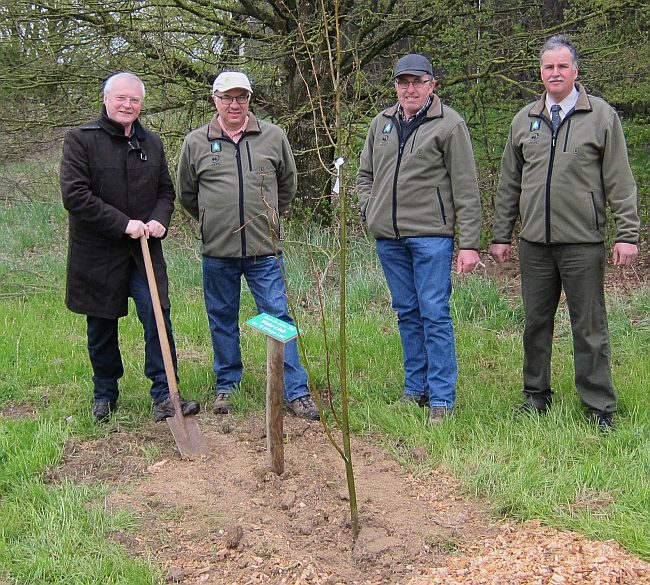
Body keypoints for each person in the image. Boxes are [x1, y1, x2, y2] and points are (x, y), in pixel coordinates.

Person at [489, 35, 639, 431]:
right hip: (534, 243)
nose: (554, 73)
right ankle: (535, 396)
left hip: (583, 243)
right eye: (547, 67)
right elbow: (509, 184)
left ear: (575, 71)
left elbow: (620, 181)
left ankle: (598, 406)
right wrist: (501, 235)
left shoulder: (601, 117)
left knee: (588, 327)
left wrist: (628, 233)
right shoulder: (525, 120)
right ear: (540, 73)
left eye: (561, 67)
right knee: (535, 324)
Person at [176, 70, 319, 420]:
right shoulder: (196, 142)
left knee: (279, 318)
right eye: (227, 98)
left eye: (241, 97)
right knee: (222, 319)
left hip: (264, 250)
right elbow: (186, 194)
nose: (234, 104)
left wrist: (271, 217)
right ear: (215, 100)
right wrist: (213, 220)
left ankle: (296, 392)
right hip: (218, 252)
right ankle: (227, 385)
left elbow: (288, 184)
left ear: (250, 100)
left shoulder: (272, 136)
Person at [60, 72, 200, 423]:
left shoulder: (151, 142)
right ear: (106, 99)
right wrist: (123, 223)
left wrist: (159, 219)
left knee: (157, 317)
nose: (127, 105)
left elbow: (166, 192)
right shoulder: (80, 140)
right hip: (97, 252)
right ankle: (105, 393)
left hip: (143, 252)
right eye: (121, 98)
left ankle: (166, 394)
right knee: (102, 325)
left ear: (141, 104)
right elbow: (75, 195)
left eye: (134, 100)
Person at [356, 54, 482, 425]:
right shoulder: (381, 123)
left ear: (432, 85)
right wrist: (370, 208)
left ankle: (442, 397)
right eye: (403, 82)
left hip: (431, 237)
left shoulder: (449, 125)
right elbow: (364, 175)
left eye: (417, 82)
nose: (410, 89)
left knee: (434, 313)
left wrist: (470, 244)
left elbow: (466, 188)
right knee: (407, 313)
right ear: (395, 86)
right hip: (389, 238)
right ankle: (416, 389)